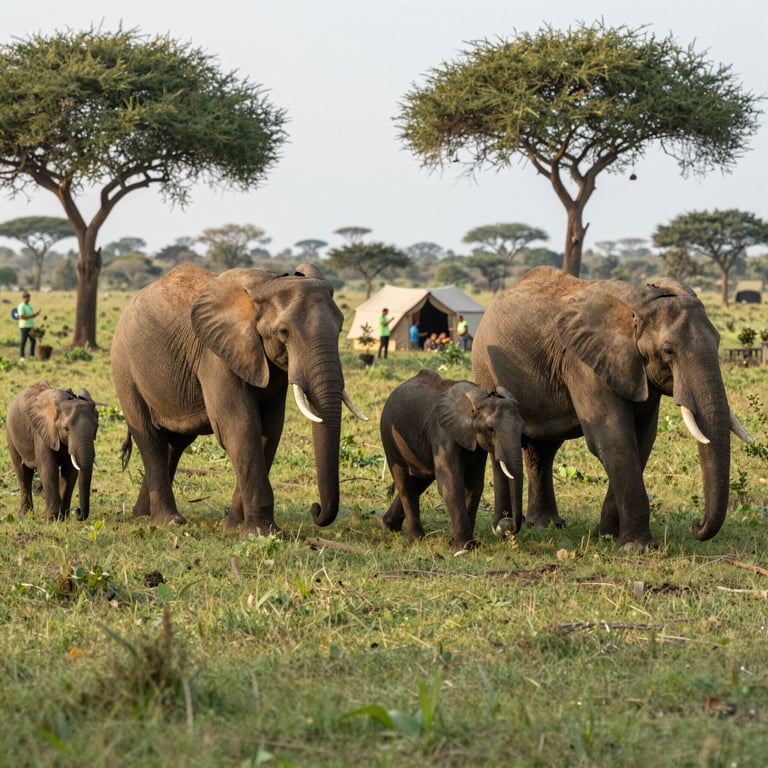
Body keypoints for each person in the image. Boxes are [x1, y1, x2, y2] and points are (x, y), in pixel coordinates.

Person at [17, 290, 40, 361]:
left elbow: (31, 315)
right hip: (24, 326)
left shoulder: (30, 306)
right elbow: (21, 317)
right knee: (23, 341)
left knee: (33, 341)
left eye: (29, 297)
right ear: (23, 298)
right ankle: (22, 357)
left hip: (31, 326)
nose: (28, 299)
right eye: (27, 297)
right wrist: (32, 315)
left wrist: (35, 314)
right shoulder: (21, 306)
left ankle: (31, 356)